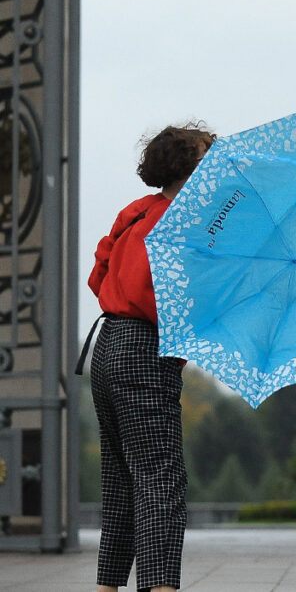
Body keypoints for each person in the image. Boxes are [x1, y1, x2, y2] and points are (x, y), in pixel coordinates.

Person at [87, 124, 215, 592]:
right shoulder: (187, 222)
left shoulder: (135, 211)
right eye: (208, 159)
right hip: (145, 349)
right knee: (160, 478)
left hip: (108, 347)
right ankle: (159, 588)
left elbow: (99, 275)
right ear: (190, 165)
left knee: (121, 480)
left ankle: (107, 587)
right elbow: (158, 296)